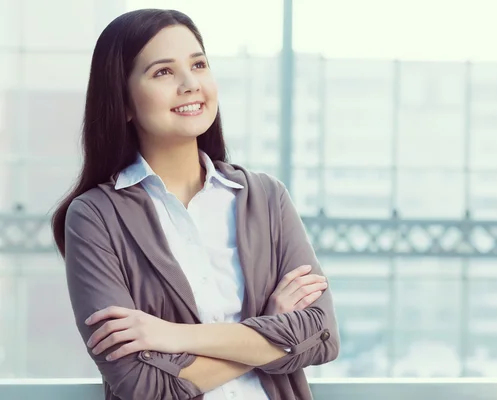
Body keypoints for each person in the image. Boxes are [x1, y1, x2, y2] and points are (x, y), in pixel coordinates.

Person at [51, 8, 339, 400]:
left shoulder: (266, 197)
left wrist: (172, 335)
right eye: (163, 72)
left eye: (199, 64)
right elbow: (142, 385)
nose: (190, 84)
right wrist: (270, 328)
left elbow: (320, 335)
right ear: (125, 102)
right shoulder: (95, 217)